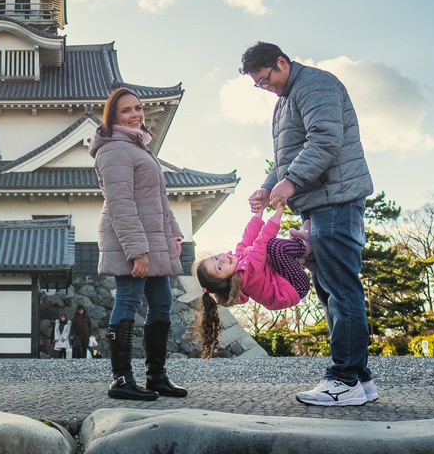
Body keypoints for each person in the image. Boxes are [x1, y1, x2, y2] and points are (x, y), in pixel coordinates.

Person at [240, 41, 377, 406]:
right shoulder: (285, 101)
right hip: (319, 204)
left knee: (341, 291)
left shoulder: (315, 84)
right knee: (332, 291)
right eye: (258, 84)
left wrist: (291, 182)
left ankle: (344, 379)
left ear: (282, 62)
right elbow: (285, 159)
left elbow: (326, 139)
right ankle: (360, 381)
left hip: (336, 199)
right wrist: (268, 187)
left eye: (265, 78)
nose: (264, 87)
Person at [90, 87, 187, 401]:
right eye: (126, 111)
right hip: (130, 241)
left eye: (138, 108)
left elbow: (159, 199)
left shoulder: (140, 147)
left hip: (154, 238)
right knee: (128, 302)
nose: (135, 115)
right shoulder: (114, 149)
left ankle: (156, 377)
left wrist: (173, 234)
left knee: (162, 305)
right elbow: (120, 204)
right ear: (113, 117)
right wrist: (138, 252)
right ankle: (121, 380)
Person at [193, 205, 312, 358]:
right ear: (226, 281)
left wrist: (258, 214)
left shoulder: (237, 262)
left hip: (284, 281)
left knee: (272, 248)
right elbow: (261, 242)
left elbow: (247, 239)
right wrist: (278, 213)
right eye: (219, 268)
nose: (222, 259)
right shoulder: (246, 276)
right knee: (274, 246)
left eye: (216, 258)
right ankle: (307, 247)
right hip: (295, 287)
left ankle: (299, 254)